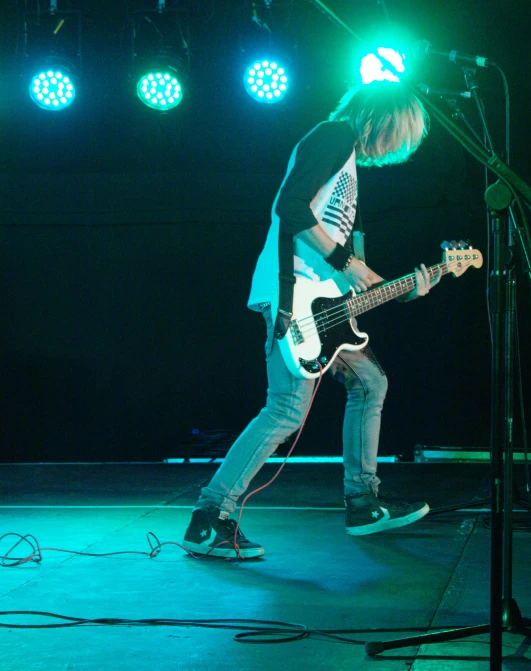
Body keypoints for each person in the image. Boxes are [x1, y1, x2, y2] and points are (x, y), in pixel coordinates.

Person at [183, 80, 441, 559]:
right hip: (291, 294)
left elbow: (358, 274)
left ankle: (363, 502)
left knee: (370, 384)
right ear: (381, 118)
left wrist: (404, 288)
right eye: (398, 133)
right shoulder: (333, 136)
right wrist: (348, 262)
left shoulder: (349, 167)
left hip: (325, 300)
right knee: (284, 410)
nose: (395, 147)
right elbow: (291, 206)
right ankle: (208, 517)